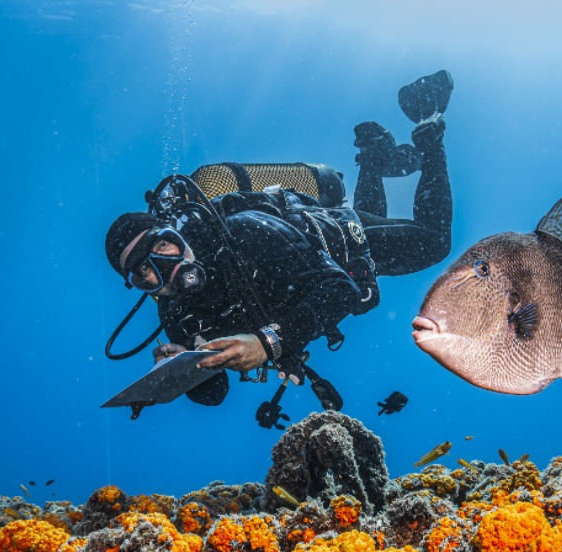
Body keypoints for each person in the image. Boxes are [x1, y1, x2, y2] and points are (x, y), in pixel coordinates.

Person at [104, 70, 454, 407]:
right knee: (382, 237)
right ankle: (375, 157)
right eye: (142, 271)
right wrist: (182, 365)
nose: (163, 266)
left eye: (163, 244)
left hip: (337, 244)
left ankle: (428, 133)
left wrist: (267, 343)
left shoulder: (244, 231)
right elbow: (214, 395)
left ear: (175, 232)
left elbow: (340, 289)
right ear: (136, 284)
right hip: (318, 279)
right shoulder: (178, 313)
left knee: (435, 242)